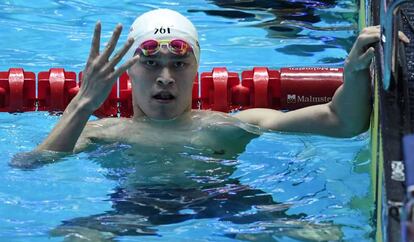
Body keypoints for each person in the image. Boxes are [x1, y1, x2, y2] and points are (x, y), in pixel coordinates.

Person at [9, 8, 409, 241]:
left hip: (229, 200)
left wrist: (355, 71)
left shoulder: (230, 125)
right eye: (150, 63)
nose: (165, 76)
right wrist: (82, 104)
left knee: (324, 236)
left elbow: (343, 122)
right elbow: (30, 165)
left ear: (196, 70)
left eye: (179, 64)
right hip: (135, 207)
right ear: (127, 73)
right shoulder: (102, 132)